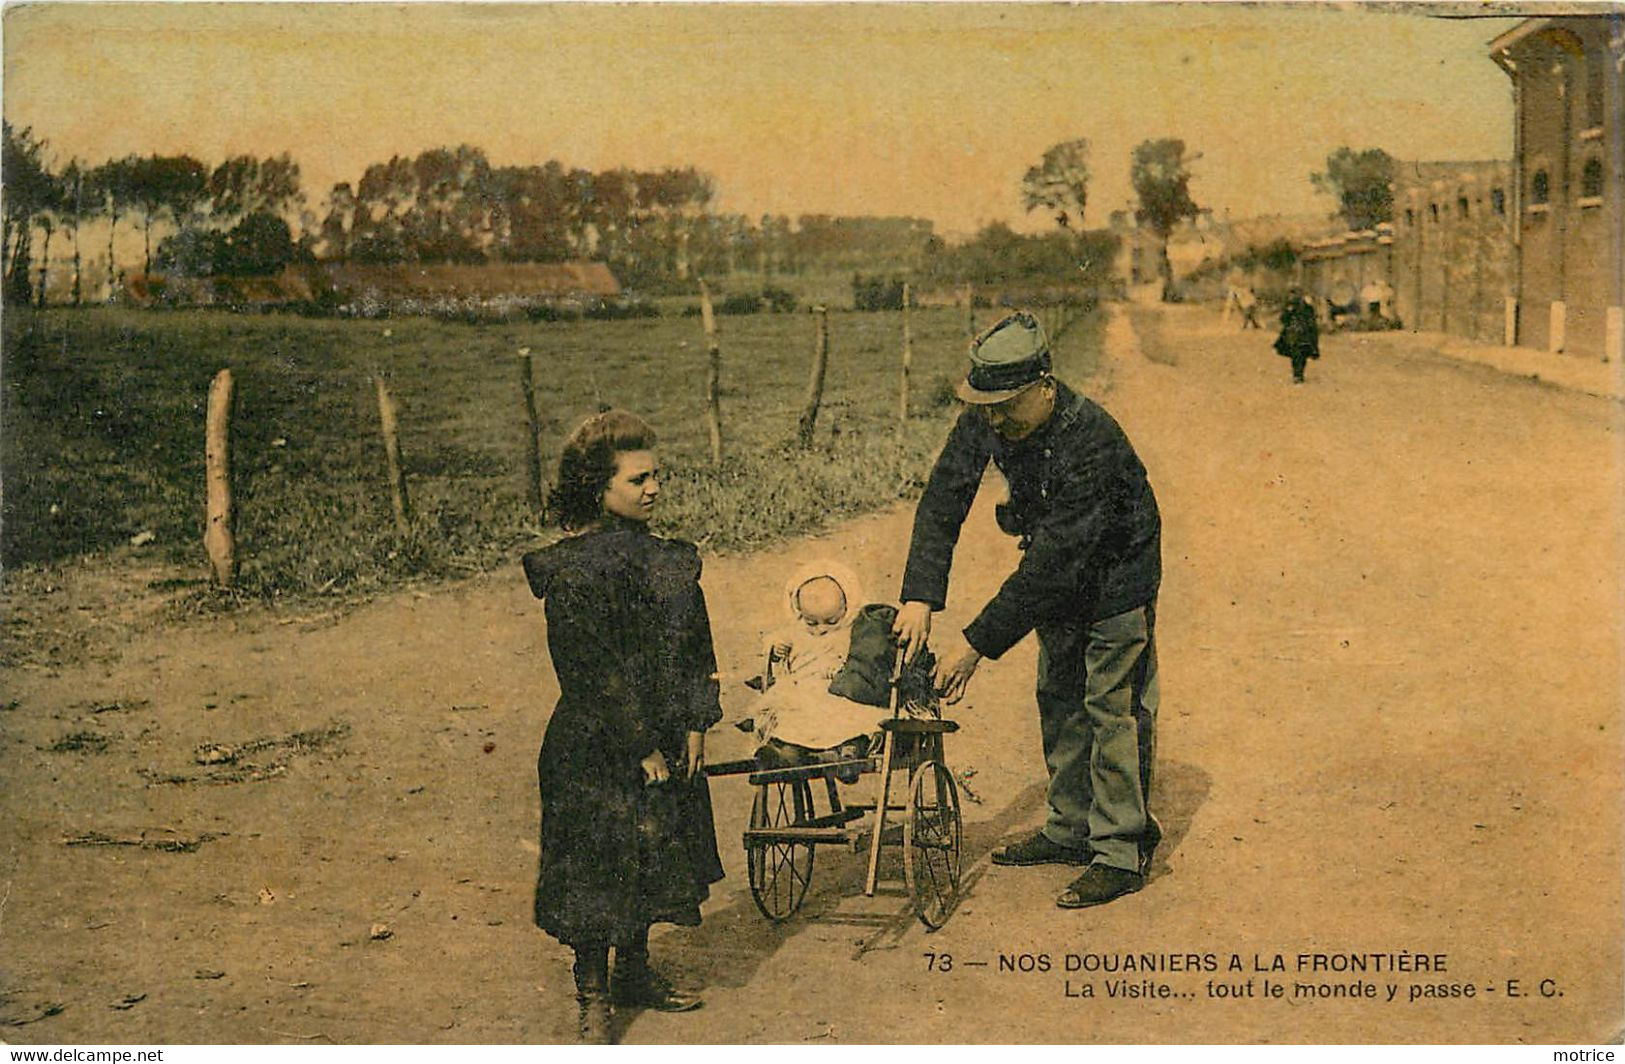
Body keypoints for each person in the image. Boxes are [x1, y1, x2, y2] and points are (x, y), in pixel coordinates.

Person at [893, 311, 1162, 909]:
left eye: (1007, 405)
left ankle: (1121, 849)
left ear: (1045, 386)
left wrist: (975, 646)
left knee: (1111, 705)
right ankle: (1070, 829)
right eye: (984, 405)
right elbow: (943, 501)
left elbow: (1054, 564)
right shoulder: (989, 415)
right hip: (1058, 565)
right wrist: (919, 596)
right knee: (1059, 695)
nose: (993, 418)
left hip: (1117, 574)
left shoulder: (1091, 438)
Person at [520, 410, 724, 1043]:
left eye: (656, 475)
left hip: (663, 734)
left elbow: (696, 648)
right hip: (596, 741)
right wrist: (638, 744)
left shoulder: (670, 561)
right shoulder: (574, 570)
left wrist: (694, 724)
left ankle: (636, 971)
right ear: (596, 486)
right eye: (638, 479)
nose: (653, 489)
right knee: (595, 864)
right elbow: (586, 668)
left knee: (654, 851)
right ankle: (593, 994)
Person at [746, 560, 885, 771]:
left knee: (850, 720)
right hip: (803, 694)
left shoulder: (852, 631)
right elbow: (773, 648)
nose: (820, 629)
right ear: (799, 611)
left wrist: (842, 668)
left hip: (839, 693)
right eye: (812, 623)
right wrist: (776, 649)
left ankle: (848, 754)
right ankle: (788, 754)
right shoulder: (794, 632)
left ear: (846, 609)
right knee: (792, 720)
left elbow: (865, 659)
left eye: (831, 622)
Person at [1275, 286, 1320, 383]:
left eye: (1295, 294)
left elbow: (1312, 319)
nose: (1293, 296)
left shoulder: (1307, 307)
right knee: (1297, 355)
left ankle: (1299, 374)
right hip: (1294, 335)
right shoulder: (1290, 306)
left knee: (1302, 355)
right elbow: (1283, 319)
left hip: (1303, 334)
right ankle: (1297, 375)